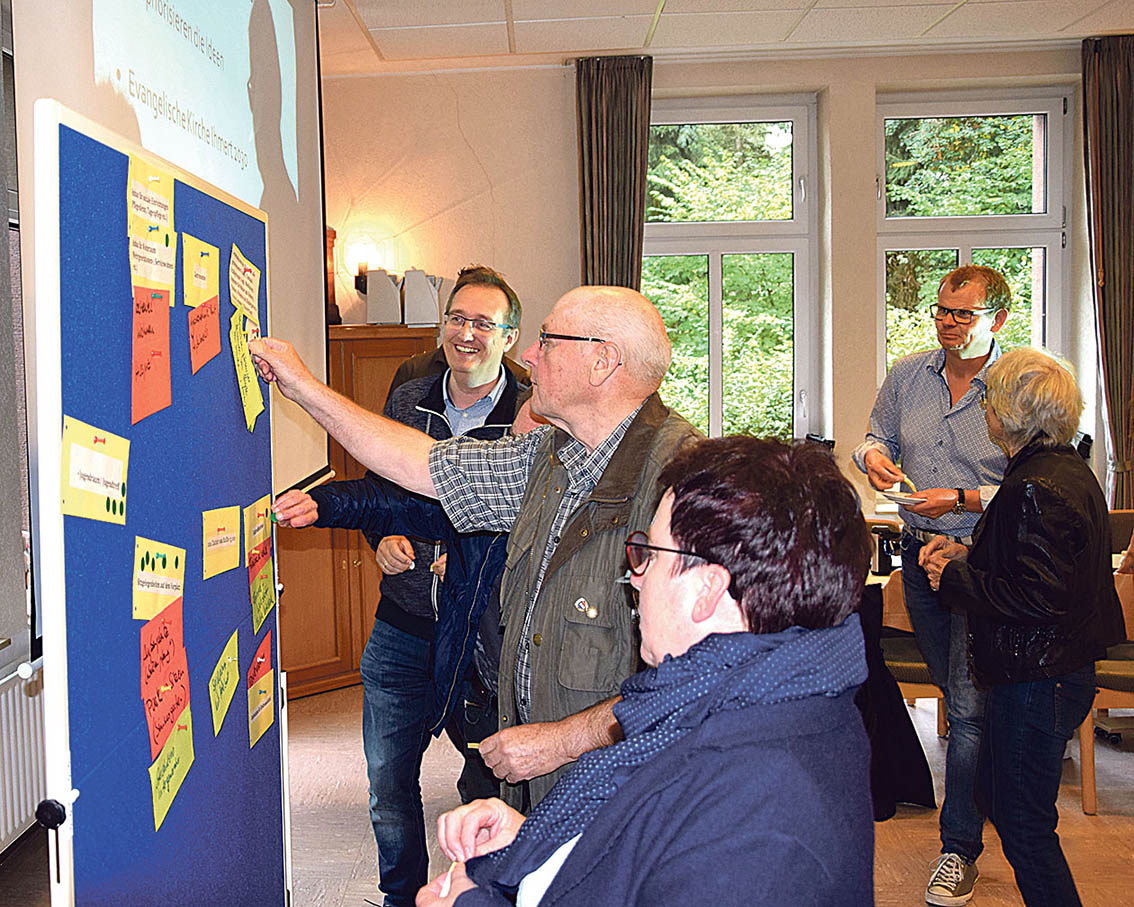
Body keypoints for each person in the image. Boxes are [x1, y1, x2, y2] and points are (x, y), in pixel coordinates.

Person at [257, 286, 700, 810]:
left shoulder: (685, 483)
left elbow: (695, 679)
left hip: (617, 798)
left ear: (601, 361)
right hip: (541, 789)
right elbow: (424, 465)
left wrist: (560, 741)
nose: (529, 355)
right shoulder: (552, 455)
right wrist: (306, 388)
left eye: (547, 340)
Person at [414, 436, 876, 907]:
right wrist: (545, 847)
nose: (634, 576)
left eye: (650, 554)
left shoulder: (761, 816)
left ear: (708, 590)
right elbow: (656, 848)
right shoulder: (760, 701)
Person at [274, 265, 525, 907]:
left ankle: (481, 894)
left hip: (484, 642)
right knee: (388, 785)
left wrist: (469, 561)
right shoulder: (409, 391)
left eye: (483, 323)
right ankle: (399, 897)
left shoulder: (532, 415)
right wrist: (373, 536)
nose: (466, 333)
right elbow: (386, 494)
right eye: (456, 318)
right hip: (402, 628)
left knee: (486, 786)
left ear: (510, 337)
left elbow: (520, 523)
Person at [921, 348, 1125, 907]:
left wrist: (953, 580)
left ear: (1009, 412)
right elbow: (1035, 568)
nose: (983, 407)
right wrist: (968, 554)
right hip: (1043, 670)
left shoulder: (1035, 484)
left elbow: (1038, 598)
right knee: (994, 792)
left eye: (989, 398)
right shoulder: (1058, 470)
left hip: (1039, 676)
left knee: (1024, 824)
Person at [852, 264, 1012, 906]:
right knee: (956, 692)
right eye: (941, 313)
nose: (947, 324)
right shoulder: (908, 375)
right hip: (919, 560)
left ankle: (959, 851)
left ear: (997, 320)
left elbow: (1040, 483)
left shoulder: (1017, 386)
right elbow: (874, 437)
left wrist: (966, 496)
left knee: (969, 709)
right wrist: (873, 459)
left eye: (962, 315)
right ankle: (992, 790)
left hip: (983, 562)